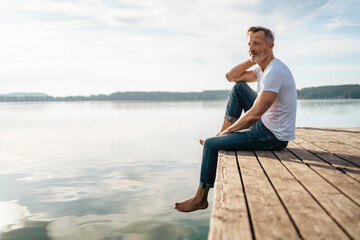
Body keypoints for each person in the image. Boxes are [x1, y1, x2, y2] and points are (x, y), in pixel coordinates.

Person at [174, 26, 297, 212]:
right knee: (238, 88)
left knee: (210, 145)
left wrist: (226, 133)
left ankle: (200, 199)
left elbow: (254, 115)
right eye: (249, 43)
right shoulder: (262, 69)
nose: (251, 46)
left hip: (272, 136)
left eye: (257, 43)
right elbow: (231, 77)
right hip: (267, 124)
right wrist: (251, 58)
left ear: (270, 46)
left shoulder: (275, 72)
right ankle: (220, 135)